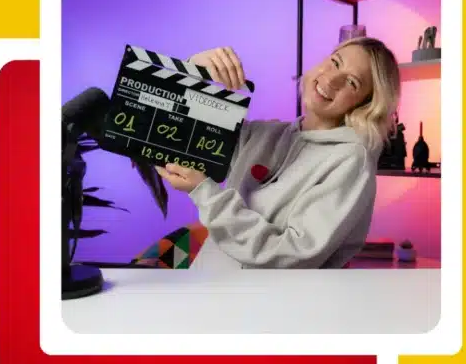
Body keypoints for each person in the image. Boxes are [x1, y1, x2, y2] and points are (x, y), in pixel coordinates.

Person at [155, 37, 401, 269]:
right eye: (335, 62)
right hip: (205, 292)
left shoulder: (351, 160)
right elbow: (160, 130)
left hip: (266, 308)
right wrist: (191, 71)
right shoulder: (262, 134)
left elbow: (292, 255)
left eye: (352, 82)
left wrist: (205, 194)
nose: (331, 79)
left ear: (365, 105)